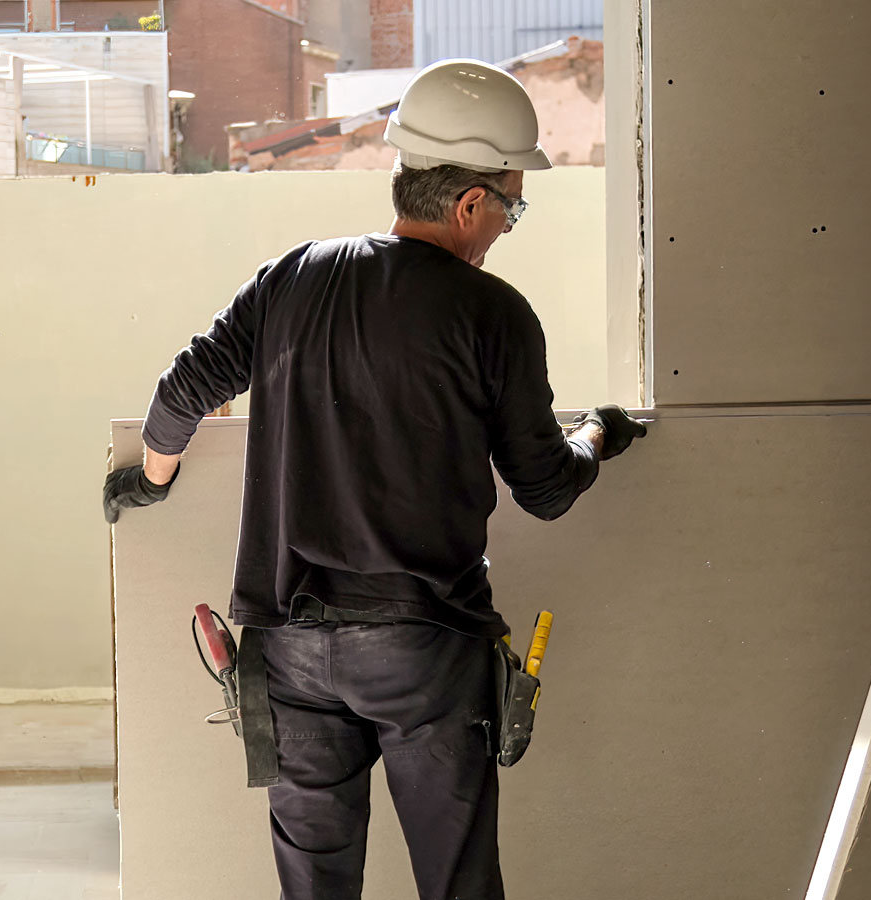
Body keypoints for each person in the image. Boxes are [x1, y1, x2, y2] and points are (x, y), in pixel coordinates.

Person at [103, 58, 647, 900]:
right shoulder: (493, 314)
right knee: (457, 884)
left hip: (288, 648)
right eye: (513, 207)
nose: (508, 226)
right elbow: (543, 488)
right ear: (470, 204)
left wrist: (154, 479)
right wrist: (598, 435)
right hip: (425, 650)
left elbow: (180, 395)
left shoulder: (292, 277)